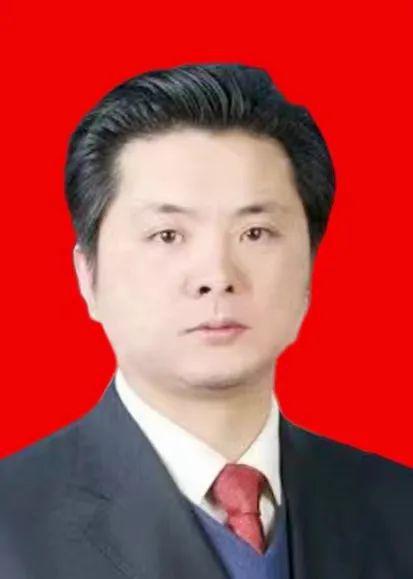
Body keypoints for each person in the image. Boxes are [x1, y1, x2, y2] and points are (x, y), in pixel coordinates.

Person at [0, 63, 412, 579]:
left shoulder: (398, 508)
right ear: (88, 276)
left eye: (256, 233)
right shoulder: (11, 525)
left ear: (309, 268)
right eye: (168, 235)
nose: (217, 276)